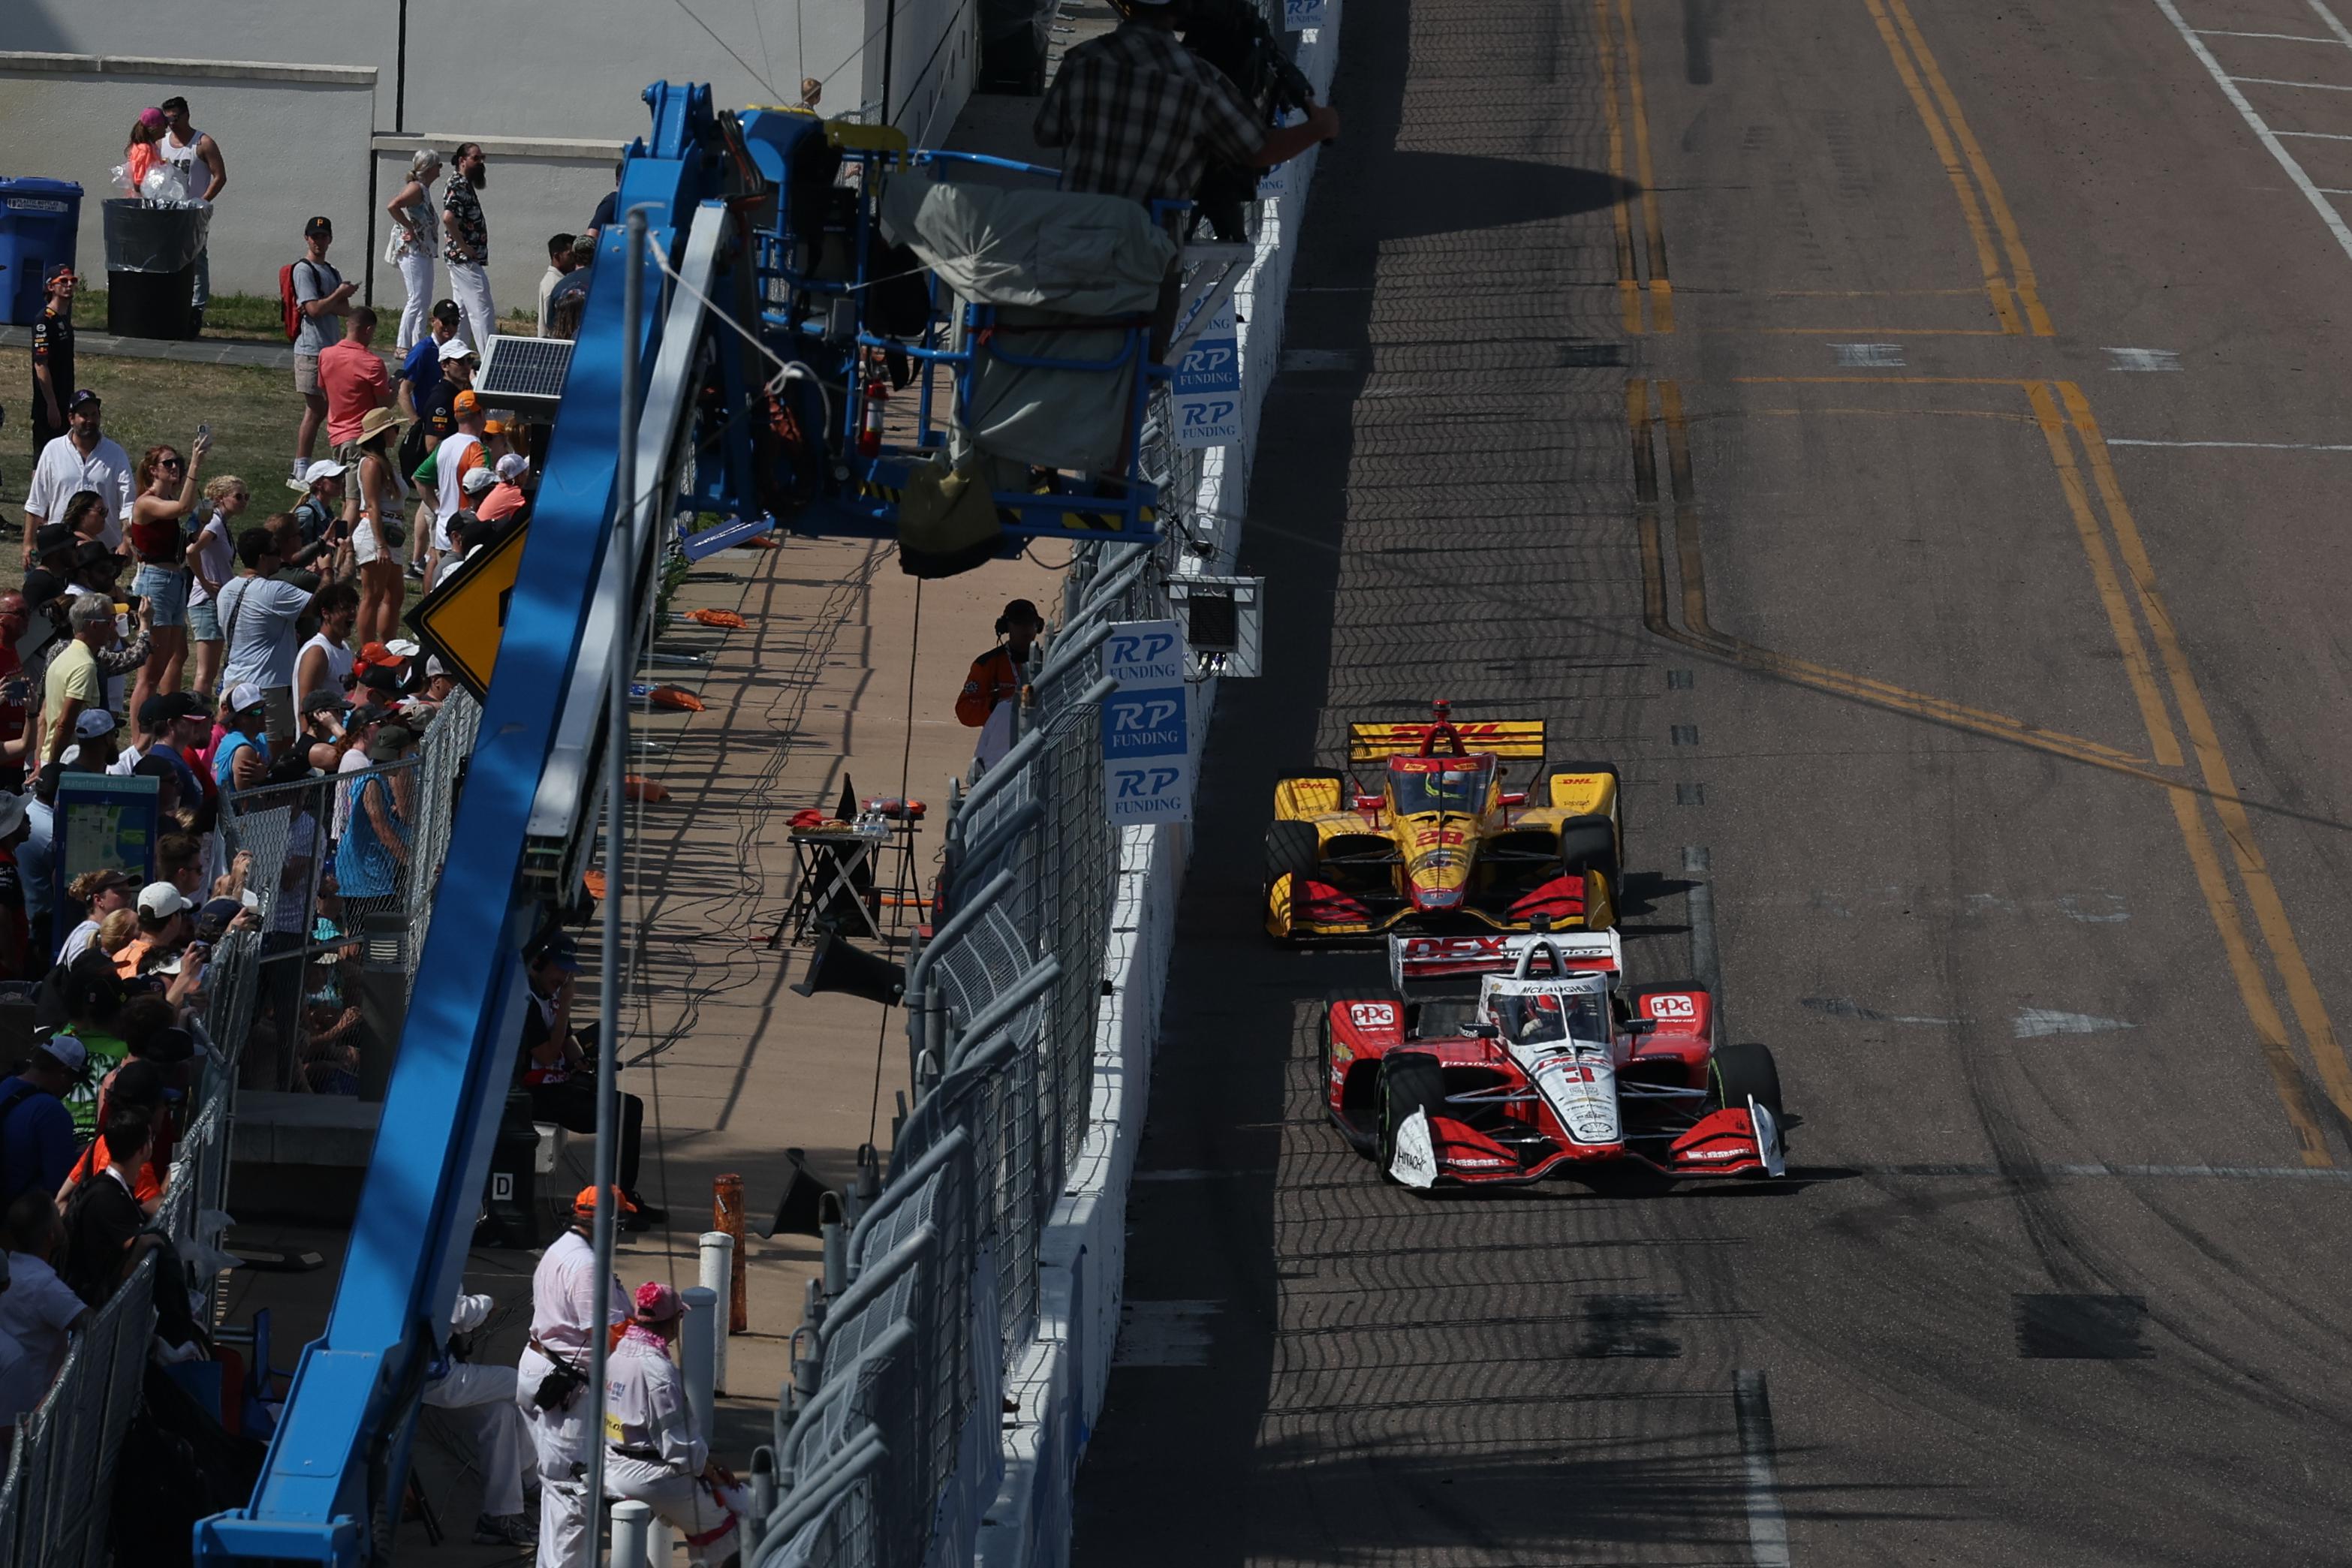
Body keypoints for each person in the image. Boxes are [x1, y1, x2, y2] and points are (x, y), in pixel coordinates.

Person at [1033, 0, 1338, 206]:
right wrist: (1320, 127)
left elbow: (1046, 132)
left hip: (1071, 232)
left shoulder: (1081, 59)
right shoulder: (1201, 82)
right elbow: (1258, 150)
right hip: (1145, 250)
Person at [519, 1186, 630, 1568]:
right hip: (565, 1384)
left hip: (545, 1369)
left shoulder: (561, 1248)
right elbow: (606, 1335)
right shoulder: (586, 1266)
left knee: (557, 1490)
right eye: (621, 1221)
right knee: (572, 1495)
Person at [516, 936, 663, 1223]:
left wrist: (581, 1060)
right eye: (560, 969)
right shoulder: (526, 1003)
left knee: (629, 1106)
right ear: (538, 963)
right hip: (535, 1095)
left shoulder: (549, 995)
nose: (565, 978)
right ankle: (614, 1202)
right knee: (624, 1112)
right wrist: (567, 1005)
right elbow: (546, 1055)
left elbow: (566, 1038)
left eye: (568, 971)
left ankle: (620, 1195)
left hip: (556, 1085)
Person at [602, 1281, 750, 1564]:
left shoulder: (617, 1355)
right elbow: (678, 1447)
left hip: (613, 1466)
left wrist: (707, 1462)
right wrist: (713, 1474)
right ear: (675, 1321)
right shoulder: (659, 1371)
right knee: (726, 1522)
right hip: (653, 1477)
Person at [421, 1285, 541, 1547]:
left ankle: (497, 1518)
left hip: (424, 1377)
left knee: (498, 1416)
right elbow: (458, 1314)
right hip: (439, 1380)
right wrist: (487, 1303)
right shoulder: (432, 1258)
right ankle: (528, 1479)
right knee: (528, 1388)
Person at [127, 434, 212, 718]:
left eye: (178, 462)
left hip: (174, 581)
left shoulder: (167, 501)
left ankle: (162, 721)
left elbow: (184, 538)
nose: (175, 467)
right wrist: (196, 466)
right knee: (149, 675)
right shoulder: (146, 502)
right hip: (156, 582)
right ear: (154, 470)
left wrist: (199, 527)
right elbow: (182, 508)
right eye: (169, 463)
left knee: (172, 658)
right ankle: (141, 738)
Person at [215, 529, 320, 748]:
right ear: (263, 558)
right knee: (269, 754)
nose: (280, 557)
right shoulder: (274, 591)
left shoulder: (226, 591)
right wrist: (327, 571)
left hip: (234, 682)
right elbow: (322, 606)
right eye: (276, 551)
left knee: (235, 746)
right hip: (268, 688)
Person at [0, 1193, 93, 1431]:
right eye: (57, 1216)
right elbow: (93, 1323)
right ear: (51, 1235)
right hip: (36, 1412)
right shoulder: (44, 1286)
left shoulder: (12, 1271)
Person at [21, 391, 133, 570]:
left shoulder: (115, 454)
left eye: (94, 414)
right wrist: (28, 542)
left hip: (103, 549)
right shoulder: (53, 450)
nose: (90, 420)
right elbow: (36, 502)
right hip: (59, 549)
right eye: (84, 415)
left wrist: (126, 542)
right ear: (71, 418)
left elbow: (128, 505)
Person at [59, 1104, 155, 1305]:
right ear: (143, 1149)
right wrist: (151, 1242)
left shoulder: (112, 1189)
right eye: (151, 1138)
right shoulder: (107, 1197)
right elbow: (133, 1251)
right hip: (98, 1307)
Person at [291, 216, 359, 483]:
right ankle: (300, 467)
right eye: (314, 237)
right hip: (311, 349)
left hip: (331, 351)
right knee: (316, 410)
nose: (319, 242)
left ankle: (321, 465)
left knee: (329, 409)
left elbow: (341, 309)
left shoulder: (330, 270)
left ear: (330, 239)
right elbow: (314, 309)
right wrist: (337, 295)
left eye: (323, 236)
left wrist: (341, 300)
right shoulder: (304, 270)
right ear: (307, 238)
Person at [158, 97, 227, 321]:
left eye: (175, 118)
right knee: (166, 258)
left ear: (187, 115)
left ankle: (196, 308)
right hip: (168, 212)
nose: (171, 123)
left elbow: (220, 176)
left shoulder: (203, 143)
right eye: (167, 119)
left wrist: (202, 202)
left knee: (197, 259)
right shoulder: (162, 143)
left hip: (193, 213)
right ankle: (169, 302)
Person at [345, 408, 410, 644]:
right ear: (384, 433)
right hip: (376, 533)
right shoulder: (371, 464)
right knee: (373, 594)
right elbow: (372, 505)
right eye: (395, 429)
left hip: (390, 533)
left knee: (396, 594)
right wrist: (381, 544)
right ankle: (368, 649)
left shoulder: (384, 463)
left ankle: (387, 645)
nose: (397, 433)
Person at [336, 723, 414, 915]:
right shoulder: (372, 782)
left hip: (372, 868)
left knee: (359, 935)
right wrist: (412, 862)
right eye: (405, 755)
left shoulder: (378, 778)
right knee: (371, 934)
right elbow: (381, 828)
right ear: (398, 755)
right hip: (365, 872)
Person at [185, 474, 248, 703]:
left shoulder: (220, 523)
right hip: (206, 601)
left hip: (214, 600)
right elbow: (191, 551)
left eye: (246, 497)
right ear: (221, 498)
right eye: (238, 496)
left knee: (209, 671)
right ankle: (196, 713)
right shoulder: (214, 523)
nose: (244, 502)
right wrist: (203, 580)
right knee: (206, 672)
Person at [0, 1038, 84, 1205]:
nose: (70, 1090)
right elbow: (59, 1182)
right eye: (73, 1082)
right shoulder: (51, 1111)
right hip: (19, 1219)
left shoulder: (4, 1085)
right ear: (63, 1073)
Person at [38, 595, 113, 768]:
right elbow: (65, 723)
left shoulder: (63, 657)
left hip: (51, 756)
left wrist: (41, 762)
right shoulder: (85, 666)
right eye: (109, 622)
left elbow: (44, 715)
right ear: (94, 625)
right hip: (69, 761)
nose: (113, 626)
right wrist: (54, 767)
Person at [384, 149, 446, 355]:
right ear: (428, 168)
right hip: (412, 250)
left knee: (424, 298)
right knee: (416, 297)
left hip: (424, 250)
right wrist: (408, 227)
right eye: (438, 165)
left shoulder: (423, 190)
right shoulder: (415, 188)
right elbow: (393, 206)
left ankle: (417, 343)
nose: (440, 169)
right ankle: (403, 345)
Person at [431, 392, 490, 588]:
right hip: (467, 530)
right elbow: (480, 488)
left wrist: (438, 509)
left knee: (438, 580)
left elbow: (418, 478)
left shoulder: (444, 444)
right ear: (481, 414)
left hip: (444, 527)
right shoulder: (478, 449)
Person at [956, 597, 1044, 728]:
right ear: (1006, 627)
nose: (1026, 629)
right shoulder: (987, 664)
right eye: (1019, 624)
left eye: (1031, 623)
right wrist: (999, 706)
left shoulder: (1051, 660)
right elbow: (965, 710)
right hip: (1000, 735)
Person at [320, 307, 393, 459]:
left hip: (335, 435)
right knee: (358, 483)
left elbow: (325, 393)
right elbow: (384, 406)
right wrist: (396, 390)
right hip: (361, 437)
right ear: (369, 330)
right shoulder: (373, 363)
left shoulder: (326, 355)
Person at [442, 143, 495, 354]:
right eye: (476, 158)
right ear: (462, 160)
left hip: (462, 258)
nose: (481, 162)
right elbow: (448, 218)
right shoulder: (458, 184)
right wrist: (463, 247)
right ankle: (489, 364)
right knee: (482, 309)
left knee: (461, 312)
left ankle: (456, 356)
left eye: (482, 158)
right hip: (464, 260)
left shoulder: (464, 183)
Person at [28, 266, 76, 450]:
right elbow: (41, 364)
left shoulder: (63, 319)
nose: (69, 285)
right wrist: (51, 404)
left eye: (73, 280)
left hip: (65, 398)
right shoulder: (44, 320)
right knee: (43, 458)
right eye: (63, 282)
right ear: (50, 287)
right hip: (49, 403)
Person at [395, 299, 463, 426]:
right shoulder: (423, 351)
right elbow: (403, 390)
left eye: (455, 322)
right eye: (445, 321)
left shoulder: (457, 351)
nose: (450, 327)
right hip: (429, 423)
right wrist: (416, 422)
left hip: (451, 422)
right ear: (433, 321)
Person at [297, 582, 360, 705]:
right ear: (326, 613)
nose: (353, 613)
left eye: (354, 607)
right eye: (346, 608)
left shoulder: (345, 648)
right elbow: (305, 707)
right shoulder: (317, 652)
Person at [58, 867, 134, 964]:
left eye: (129, 892)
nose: (129, 897)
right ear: (98, 900)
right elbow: (79, 977)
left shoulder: (97, 933)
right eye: (121, 892)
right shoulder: (87, 937)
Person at [212, 683, 271, 793]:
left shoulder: (260, 738)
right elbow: (245, 804)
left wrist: (265, 775)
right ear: (238, 718)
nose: (263, 714)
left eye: (263, 708)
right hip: (233, 809)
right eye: (256, 712)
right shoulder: (243, 750)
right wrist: (263, 779)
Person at [119, 107, 173, 199]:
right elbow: (138, 180)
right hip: (144, 201)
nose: (167, 127)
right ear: (156, 127)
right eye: (165, 124)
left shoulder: (151, 146)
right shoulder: (144, 149)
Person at [537, 232, 577, 333]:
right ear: (557, 256)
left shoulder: (563, 280)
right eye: (570, 255)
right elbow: (551, 324)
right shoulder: (552, 284)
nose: (575, 259)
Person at [478, 453, 530, 524]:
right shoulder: (516, 494)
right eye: (525, 472)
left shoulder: (501, 488)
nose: (527, 475)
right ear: (519, 476)